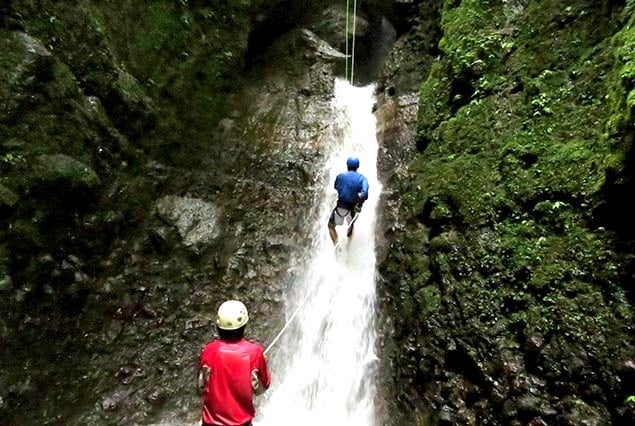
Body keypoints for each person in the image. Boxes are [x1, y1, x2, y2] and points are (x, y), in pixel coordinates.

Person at [198, 300, 271, 426]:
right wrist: (264, 363)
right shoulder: (255, 353)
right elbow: (261, 389)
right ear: (244, 326)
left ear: (218, 327)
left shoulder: (208, 351)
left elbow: (200, 387)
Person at [328, 156, 369, 246]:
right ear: (358, 166)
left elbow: (336, 187)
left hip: (341, 207)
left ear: (347, 165)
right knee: (351, 226)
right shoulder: (362, 178)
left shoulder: (340, 176)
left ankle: (336, 243)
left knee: (331, 226)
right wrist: (360, 202)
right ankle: (348, 246)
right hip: (353, 209)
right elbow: (365, 192)